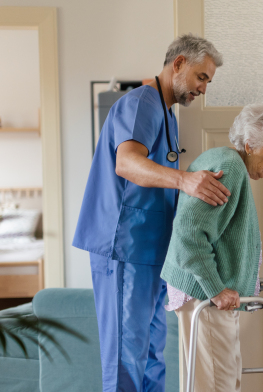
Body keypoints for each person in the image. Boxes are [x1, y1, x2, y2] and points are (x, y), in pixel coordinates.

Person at [72, 34, 231, 392]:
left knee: (152, 356)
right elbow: (126, 164)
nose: (203, 89)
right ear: (178, 64)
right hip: (126, 247)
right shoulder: (142, 102)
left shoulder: (167, 116)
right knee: (126, 357)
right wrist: (186, 180)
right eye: (201, 77)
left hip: (151, 251)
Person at [160, 105, 263, 392]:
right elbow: (188, 234)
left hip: (201, 288)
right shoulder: (230, 167)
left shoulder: (224, 160)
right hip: (204, 291)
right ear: (250, 145)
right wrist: (216, 290)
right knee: (219, 384)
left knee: (213, 379)